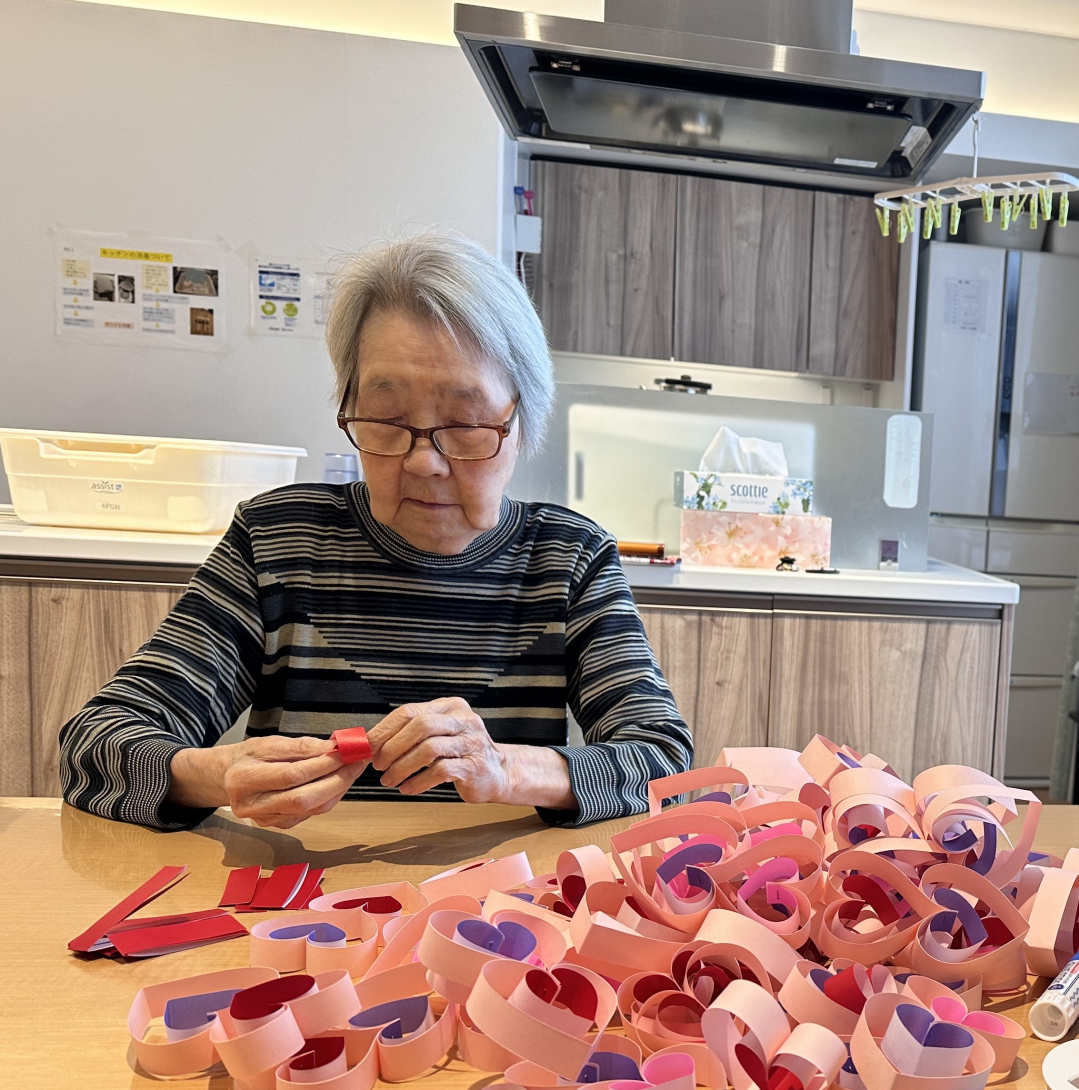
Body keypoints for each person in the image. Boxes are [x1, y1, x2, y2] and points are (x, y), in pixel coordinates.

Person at [61, 232, 693, 831]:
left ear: (521, 422)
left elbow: (666, 765)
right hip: (301, 892)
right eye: (387, 420)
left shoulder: (569, 559)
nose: (423, 461)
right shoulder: (278, 542)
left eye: (465, 423)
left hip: (502, 901)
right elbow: (94, 744)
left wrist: (506, 770)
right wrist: (214, 775)